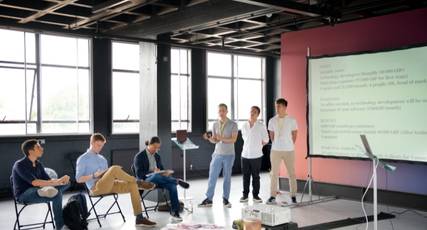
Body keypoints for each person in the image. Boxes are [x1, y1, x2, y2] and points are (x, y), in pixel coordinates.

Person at [75, 133, 157, 227]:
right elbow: (78, 179)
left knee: (132, 185)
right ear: (92, 143)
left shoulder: (102, 159)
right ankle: (138, 181)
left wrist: (111, 174)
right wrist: (94, 175)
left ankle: (139, 217)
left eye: (102, 146)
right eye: (98, 145)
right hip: (95, 188)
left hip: (109, 184)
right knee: (114, 168)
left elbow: (106, 176)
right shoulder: (82, 159)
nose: (100, 148)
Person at [11, 139, 71, 229]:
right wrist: (56, 182)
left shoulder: (38, 164)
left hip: (41, 190)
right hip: (24, 195)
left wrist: (61, 180)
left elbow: (48, 179)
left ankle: (47, 190)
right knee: (55, 193)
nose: (42, 149)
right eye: (38, 147)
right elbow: (34, 182)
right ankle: (60, 226)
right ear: (30, 151)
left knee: (67, 184)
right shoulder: (19, 164)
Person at [133, 136, 190, 223]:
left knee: (172, 186)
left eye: (158, 148)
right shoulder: (139, 156)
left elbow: (161, 169)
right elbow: (139, 174)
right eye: (154, 147)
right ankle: (177, 180)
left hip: (159, 179)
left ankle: (175, 212)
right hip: (145, 181)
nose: (156, 150)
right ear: (149, 144)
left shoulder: (157, 156)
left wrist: (164, 172)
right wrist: (152, 171)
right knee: (156, 176)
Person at [199, 103, 238, 208]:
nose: (221, 113)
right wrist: (209, 138)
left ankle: (226, 199)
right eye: (219, 111)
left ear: (227, 111)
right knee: (212, 176)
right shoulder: (215, 124)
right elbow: (215, 140)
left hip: (229, 155)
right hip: (217, 154)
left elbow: (233, 139)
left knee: (227, 178)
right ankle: (209, 199)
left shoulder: (233, 124)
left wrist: (222, 138)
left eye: (223, 111)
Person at [267, 98, 298, 205]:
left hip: (289, 150)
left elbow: (294, 135)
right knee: (274, 173)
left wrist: (289, 144)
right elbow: (271, 136)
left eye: (279, 106)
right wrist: (277, 143)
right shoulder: (272, 120)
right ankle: (272, 196)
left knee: (292, 174)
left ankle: (293, 195)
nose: (277, 108)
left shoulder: (292, 120)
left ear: (284, 107)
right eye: (276, 106)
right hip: (275, 150)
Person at [240, 106, 269, 203]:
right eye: (251, 111)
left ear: (258, 114)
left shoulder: (261, 125)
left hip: (256, 155)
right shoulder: (244, 125)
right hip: (245, 155)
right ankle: (245, 196)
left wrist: (257, 146)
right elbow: (245, 138)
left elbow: (266, 140)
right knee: (245, 176)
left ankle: (256, 195)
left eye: (254, 112)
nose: (252, 113)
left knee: (256, 176)